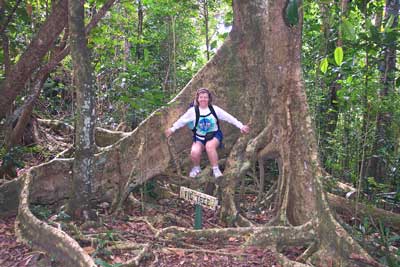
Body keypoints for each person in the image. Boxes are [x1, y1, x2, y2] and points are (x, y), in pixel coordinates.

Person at [165, 88, 250, 178]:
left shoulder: (215, 109)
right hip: (199, 138)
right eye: (201, 97)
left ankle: (215, 169)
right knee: (194, 152)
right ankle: (196, 167)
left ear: (209, 99)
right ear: (197, 99)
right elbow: (182, 120)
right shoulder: (193, 111)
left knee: (209, 146)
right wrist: (172, 129)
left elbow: (229, 117)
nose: (203, 99)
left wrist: (241, 126)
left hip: (214, 136)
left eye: (205, 97)